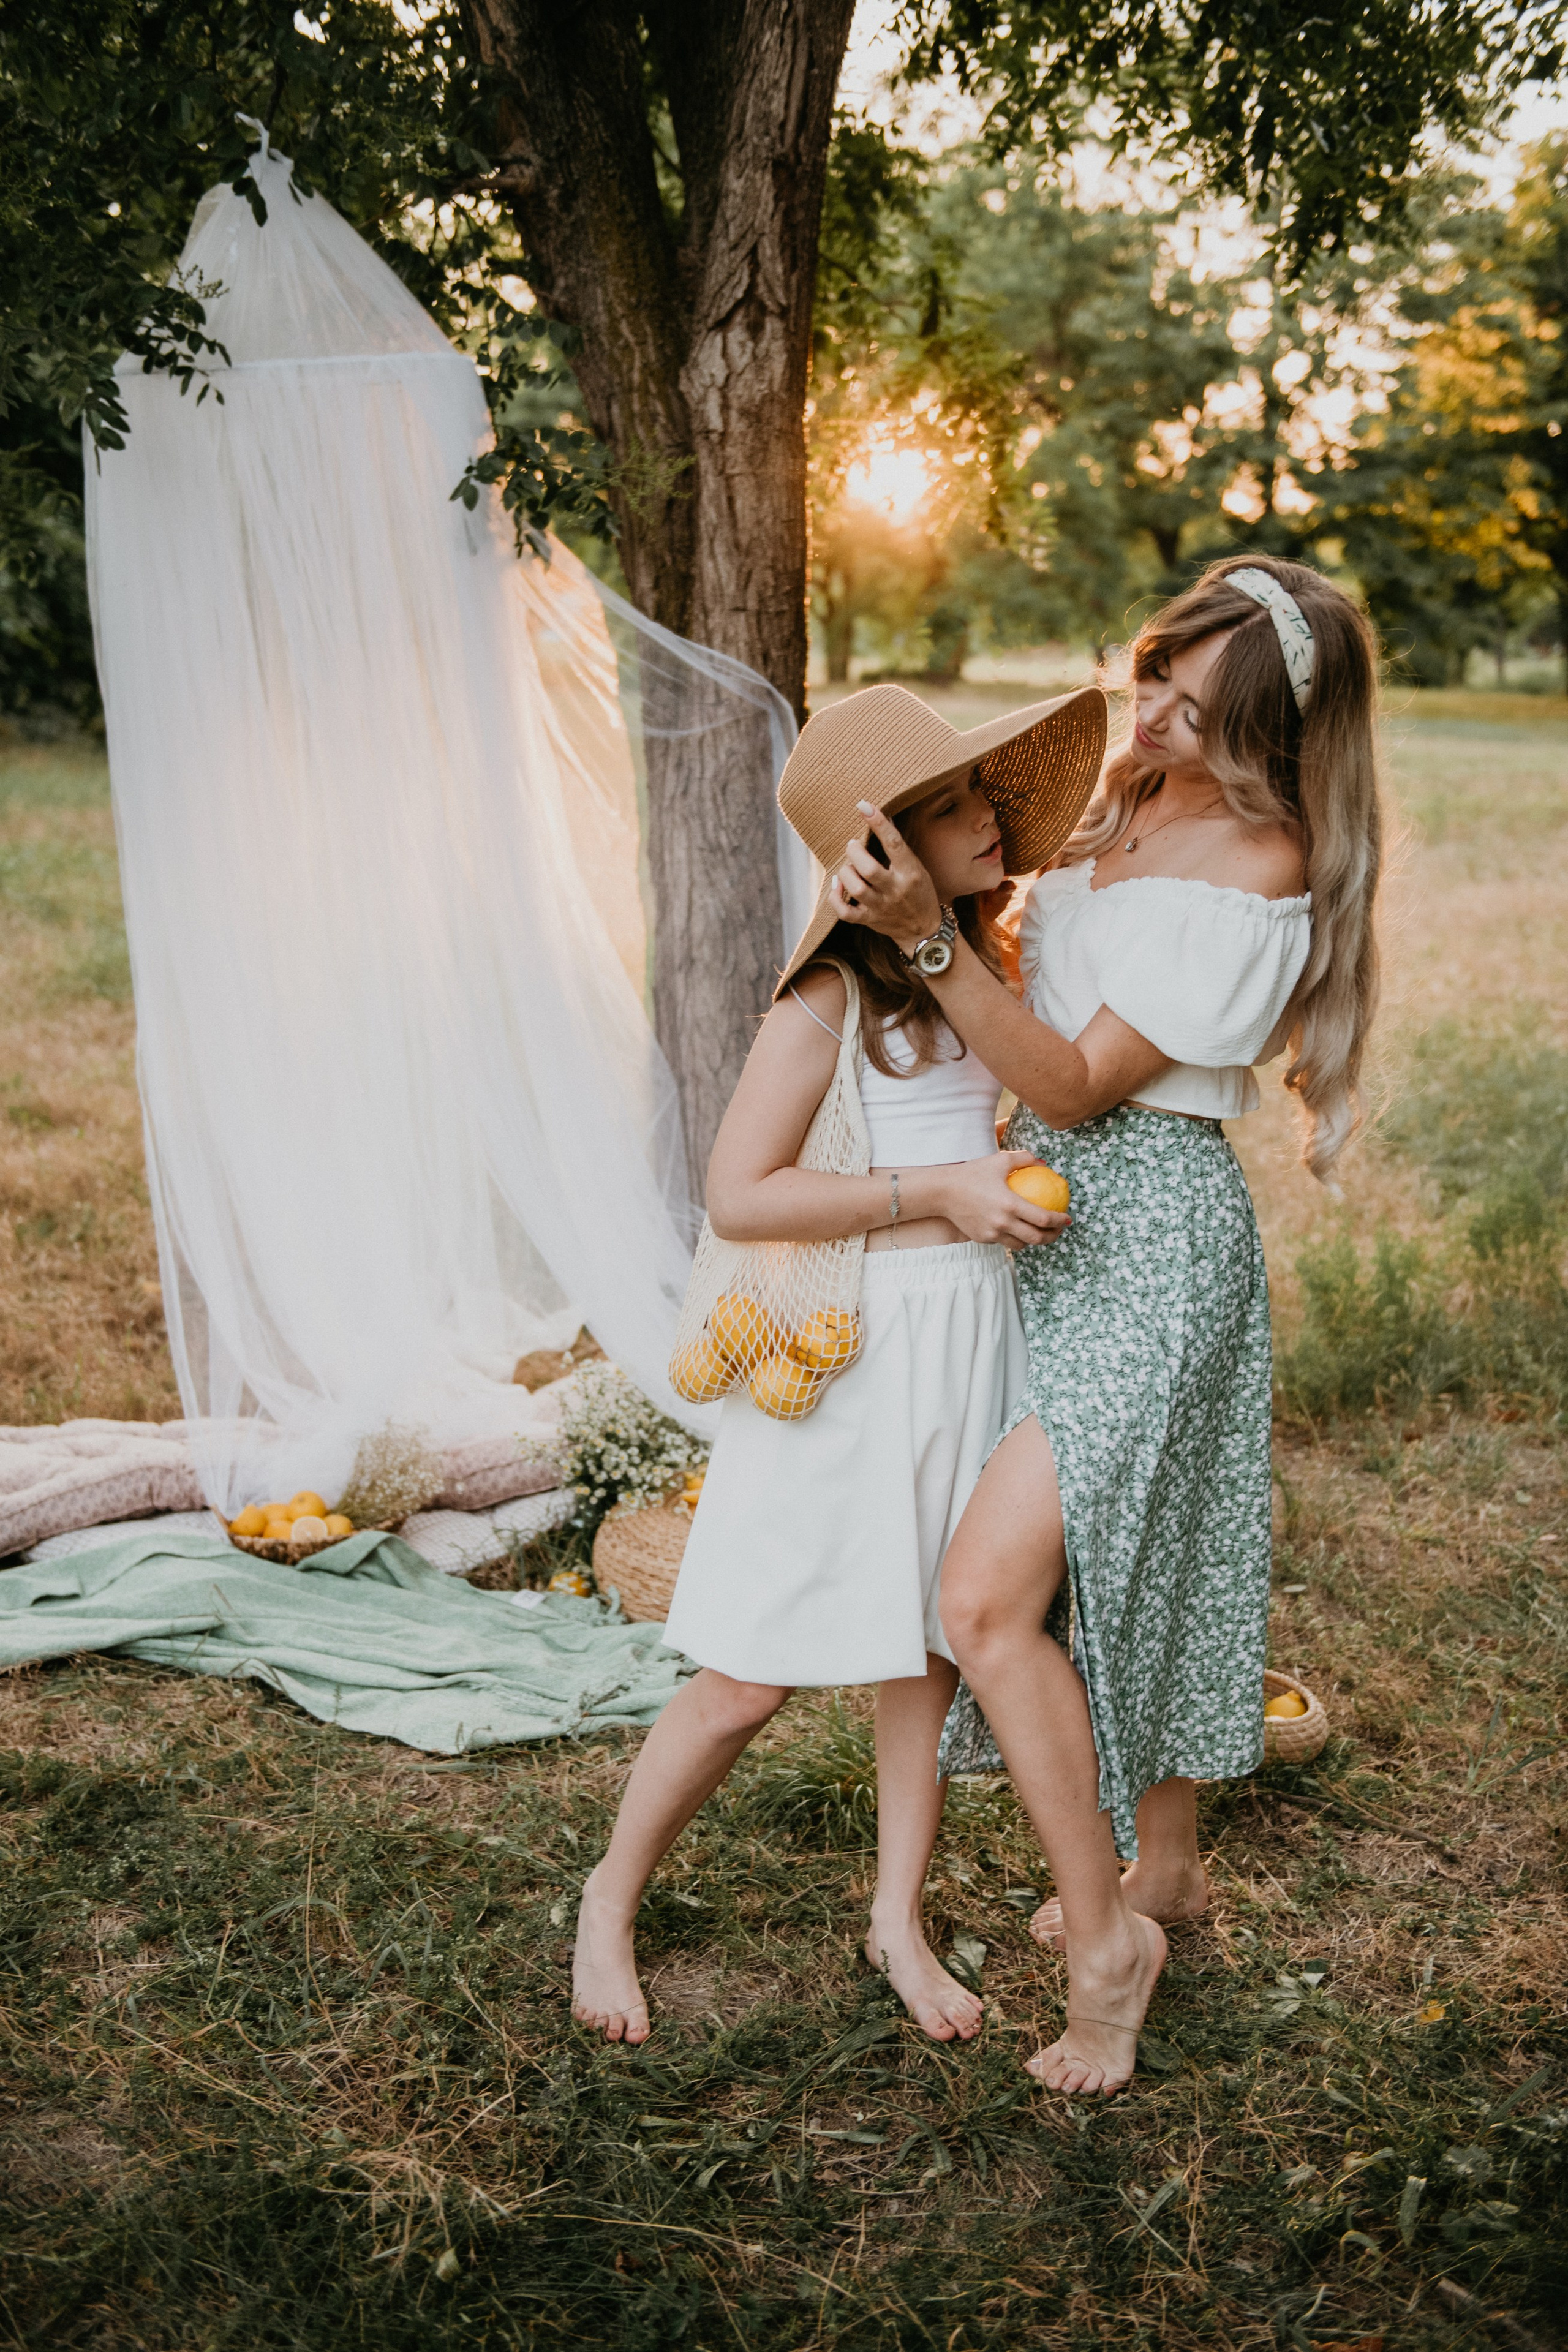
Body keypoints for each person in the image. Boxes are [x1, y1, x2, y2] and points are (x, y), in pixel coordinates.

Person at [831, 556, 1382, 2096]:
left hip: (1149, 1237)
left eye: (1193, 710)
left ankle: (1104, 1950)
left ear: (1268, 739)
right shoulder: (1114, 799)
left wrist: (932, 943)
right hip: (1040, 1218)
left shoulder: (1260, 860)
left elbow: (1074, 1084)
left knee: (984, 1601)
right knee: (1122, 1560)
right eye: (1152, 673)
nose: (1148, 717)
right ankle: (1168, 1874)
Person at [571, 680, 1107, 2046]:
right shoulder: (830, 994)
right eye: (949, 806)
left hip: (968, 1343)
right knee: (747, 1676)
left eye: (981, 792)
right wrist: (941, 1190)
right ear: (882, 854)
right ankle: (608, 1900)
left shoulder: (983, 969)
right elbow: (739, 1193)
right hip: (854, 1355)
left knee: (924, 1650)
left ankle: (895, 1920)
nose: (988, 816)